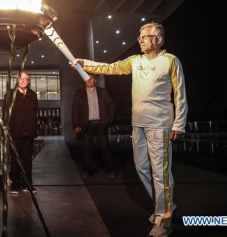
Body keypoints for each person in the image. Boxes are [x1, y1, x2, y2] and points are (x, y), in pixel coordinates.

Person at [72, 22, 187, 237]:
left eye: (145, 36)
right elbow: (110, 67)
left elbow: (180, 94)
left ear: (158, 40)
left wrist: (179, 123)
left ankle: (164, 220)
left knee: (160, 174)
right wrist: (84, 63)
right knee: (142, 168)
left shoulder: (170, 61)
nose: (140, 39)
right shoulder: (135, 61)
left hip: (159, 125)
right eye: (139, 36)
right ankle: (163, 207)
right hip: (138, 125)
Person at [72, 73, 116, 179]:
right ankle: (86, 170)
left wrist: (108, 121)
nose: (89, 81)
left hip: (101, 124)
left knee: (105, 147)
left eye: (91, 79)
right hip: (87, 125)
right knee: (87, 149)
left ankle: (110, 170)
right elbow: (75, 109)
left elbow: (111, 106)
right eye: (86, 79)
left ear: (95, 80)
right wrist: (76, 125)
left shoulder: (103, 92)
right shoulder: (79, 93)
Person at [8, 71, 39, 194]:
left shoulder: (32, 95)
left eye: (25, 79)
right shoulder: (11, 94)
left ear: (28, 81)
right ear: (17, 80)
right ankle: (15, 184)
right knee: (16, 159)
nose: (22, 80)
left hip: (29, 132)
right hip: (15, 132)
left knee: (27, 159)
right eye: (20, 78)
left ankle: (27, 184)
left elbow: (34, 112)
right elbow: (7, 114)